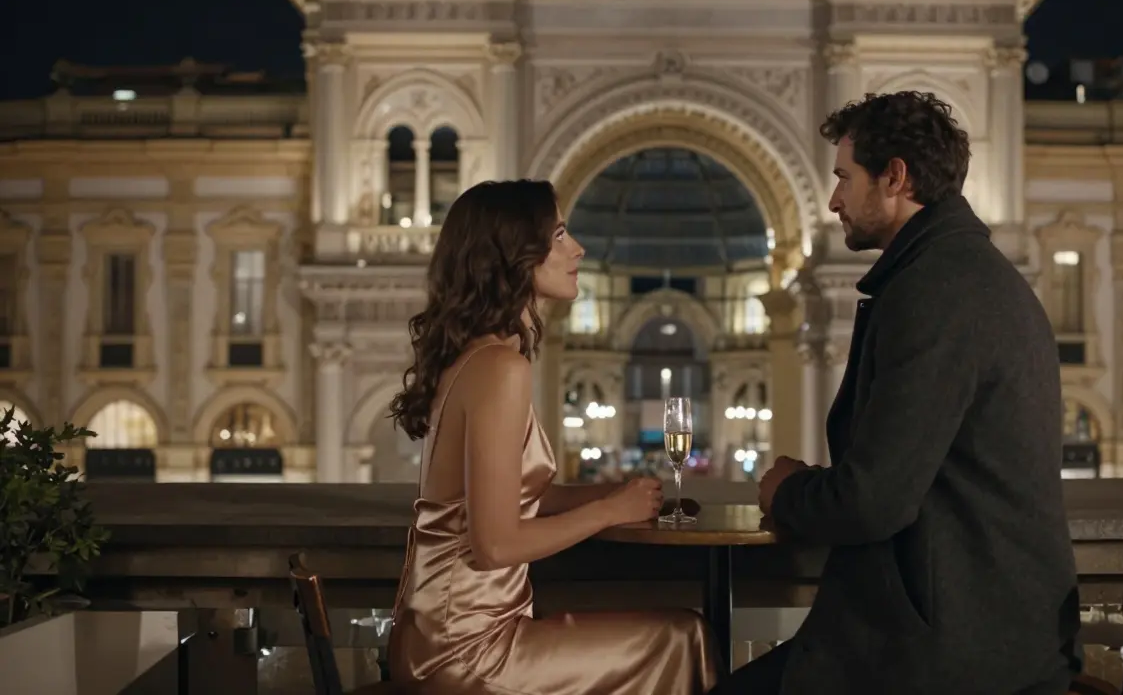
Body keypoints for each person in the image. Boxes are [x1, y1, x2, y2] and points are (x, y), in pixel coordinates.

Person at [719, 92, 1082, 694]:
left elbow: (873, 501)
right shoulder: (963, 273)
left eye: (844, 177)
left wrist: (788, 490)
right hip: (987, 631)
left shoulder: (934, 292)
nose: (833, 199)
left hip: (951, 654)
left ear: (895, 177)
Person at [386, 179, 719, 694]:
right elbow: (495, 544)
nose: (577, 248)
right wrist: (608, 513)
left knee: (675, 633)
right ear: (514, 255)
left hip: (437, 635)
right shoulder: (501, 368)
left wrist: (611, 494)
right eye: (559, 234)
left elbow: (517, 500)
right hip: (467, 650)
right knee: (682, 636)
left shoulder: (476, 358)